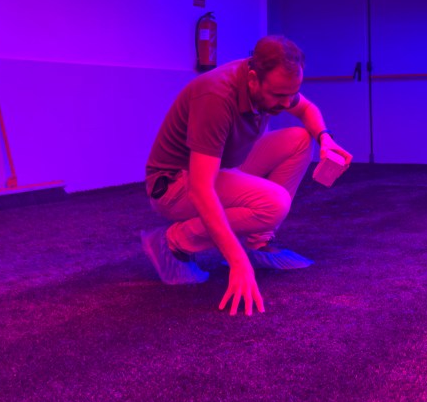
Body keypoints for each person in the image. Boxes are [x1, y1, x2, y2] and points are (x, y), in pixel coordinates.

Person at [140, 35, 352, 316]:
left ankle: (258, 242)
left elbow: (307, 109)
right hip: (175, 184)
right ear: (253, 79)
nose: (286, 102)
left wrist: (325, 139)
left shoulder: (275, 85)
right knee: (274, 203)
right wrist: (238, 263)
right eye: (278, 95)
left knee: (301, 138)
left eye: (293, 92)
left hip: (224, 166)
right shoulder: (215, 96)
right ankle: (173, 243)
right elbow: (201, 189)